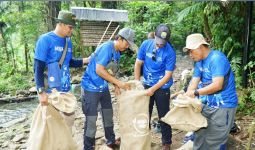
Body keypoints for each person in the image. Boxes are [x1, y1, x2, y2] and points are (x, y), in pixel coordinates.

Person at [81, 27, 136, 150]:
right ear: (120, 39)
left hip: (103, 88)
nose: (127, 47)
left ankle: (110, 141)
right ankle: (88, 147)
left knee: (108, 115)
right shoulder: (107, 48)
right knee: (91, 120)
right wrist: (119, 83)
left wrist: (115, 85)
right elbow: (99, 70)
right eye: (127, 43)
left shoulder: (117, 53)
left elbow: (111, 71)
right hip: (91, 88)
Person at [33, 10, 90, 128]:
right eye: (70, 27)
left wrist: (86, 60)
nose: (71, 30)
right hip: (51, 93)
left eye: (73, 27)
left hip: (66, 90)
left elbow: (70, 62)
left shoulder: (68, 42)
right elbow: (38, 67)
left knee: (68, 124)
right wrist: (41, 92)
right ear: (61, 24)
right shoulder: (45, 40)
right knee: (53, 127)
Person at [183, 33, 238, 150]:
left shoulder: (217, 59)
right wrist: (187, 95)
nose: (190, 55)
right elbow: (194, 82)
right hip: (206, 104)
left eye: (191, 51)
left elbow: (217, 85)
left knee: (215, 141)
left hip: (223, 107)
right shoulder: (199, 62)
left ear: (200, 47)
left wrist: (196, 93)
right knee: (199, 135)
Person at [134, 24, 176, 150]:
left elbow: (168, 75)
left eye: (162, 43)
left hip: (162, 86)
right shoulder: (145, 44)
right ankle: (143, 139)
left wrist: (153, 89)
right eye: (157, 42)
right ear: (154, 36)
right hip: (146, 83)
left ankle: (166, 143)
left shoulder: (170, 52)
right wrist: (137, 82)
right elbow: (138, 63)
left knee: (163, 115)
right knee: (144, 113)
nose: (159, 45)